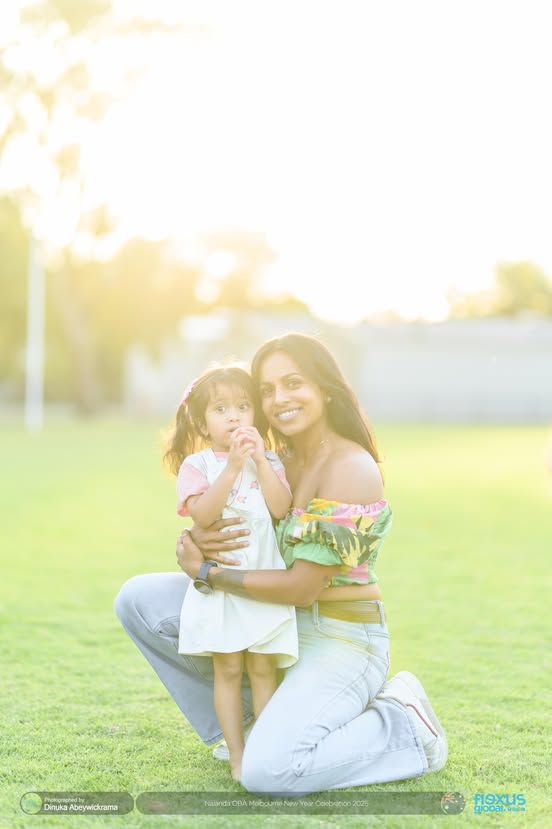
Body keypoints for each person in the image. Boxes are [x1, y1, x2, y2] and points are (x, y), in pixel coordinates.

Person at [115, 333, 447, 795]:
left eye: (293, 383)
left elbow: (301, 587)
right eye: (267, 391)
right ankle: (251, 731)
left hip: (339, 636)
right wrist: (197, 541)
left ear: (324, 388)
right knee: (138, 600)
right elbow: (230, 523)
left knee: (267, 774)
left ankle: (402, 726)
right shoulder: (272, 460)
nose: (279, 400)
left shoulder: (350, 467)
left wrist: (208, 573)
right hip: (269, 620)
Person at [163, 365, 298, 781]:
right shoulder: (198, 464)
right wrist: (233, 467)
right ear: (203, 422)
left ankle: (265, 749)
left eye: (243, 406)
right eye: (221, 409)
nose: (235, 417)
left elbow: (280, 508)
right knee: (228, 668)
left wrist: (258, 458)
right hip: (221, 581)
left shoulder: (270, 459)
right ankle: (237, 755)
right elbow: (203, 514)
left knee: (262, 667)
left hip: (263, 578)